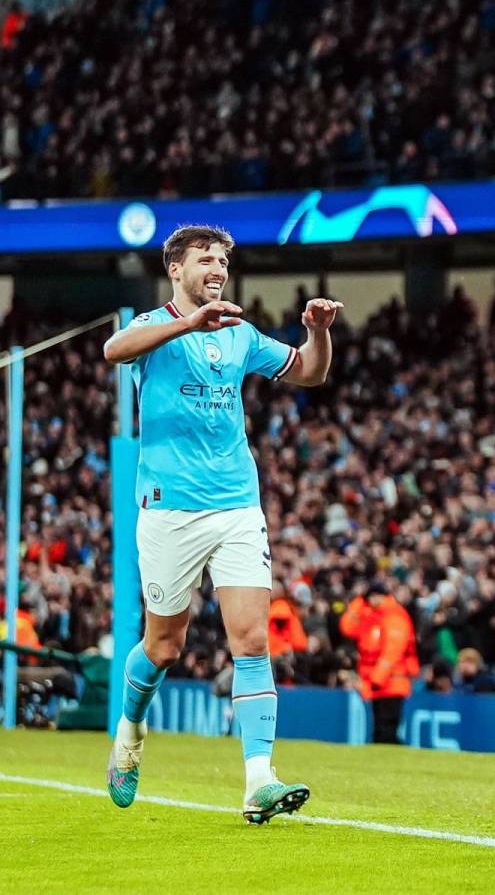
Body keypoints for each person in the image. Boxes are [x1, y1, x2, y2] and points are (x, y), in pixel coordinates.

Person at [103, 224, 342, 823]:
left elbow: (309, 372)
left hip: (237, 505)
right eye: (205, 260)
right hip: (169, 509)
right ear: (176, 270)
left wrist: (316, 333)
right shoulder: (152, 328)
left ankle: (259, 780)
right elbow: (113, 352)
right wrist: (188, 324)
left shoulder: (239, 332)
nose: (217, 268)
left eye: (223, 261)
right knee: (165, 646)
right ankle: (129, 731)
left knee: (253, 641)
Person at [339, 580, 420, 744]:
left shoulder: (394, 615)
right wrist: (358, 602)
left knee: (387, 729)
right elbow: (347, 627)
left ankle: (394, 764)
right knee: (380, 729)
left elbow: (393, 649)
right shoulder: (373, 616)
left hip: (391, 681)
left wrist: (377, 678)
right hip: (379, 683)